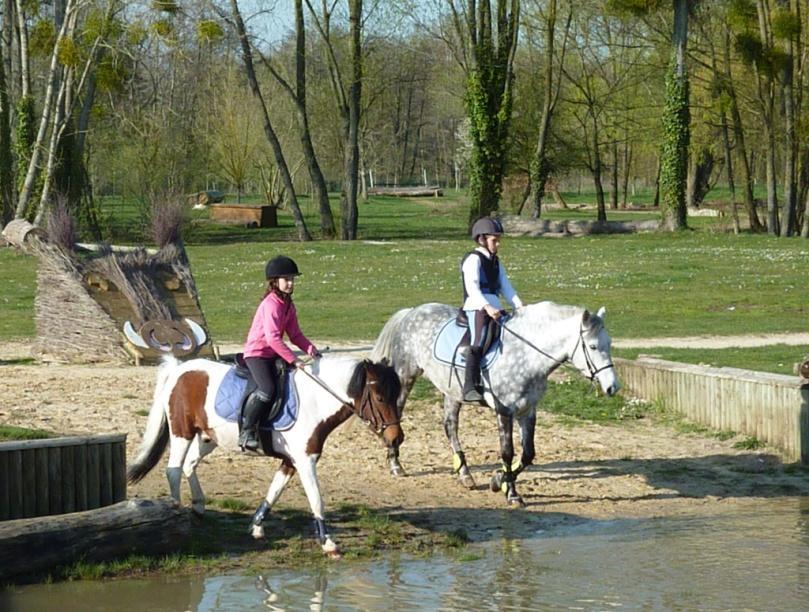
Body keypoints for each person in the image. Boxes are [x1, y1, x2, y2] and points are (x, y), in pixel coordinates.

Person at [240, 255, 321, 451]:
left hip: (272, 354)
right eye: (287, 279)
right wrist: (295, 360)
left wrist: (310, 349)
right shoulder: (271, 304)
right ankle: (247, 431)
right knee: (267, 389)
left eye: (292, 279)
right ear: (275, 282)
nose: (291, 283)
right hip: (257, 354)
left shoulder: (288, 305)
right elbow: (272, 338)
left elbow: (295, 334)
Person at [460, 217, 524, 402]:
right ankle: (469, 387)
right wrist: (486, 307)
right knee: (479, 341)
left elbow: (506, 287)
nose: (498, 243)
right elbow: (472, 288)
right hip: (476, 307)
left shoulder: (496, 261)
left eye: (498, 239)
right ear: (482, 240)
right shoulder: (473, 259)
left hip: (495, 306)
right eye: (494, 240)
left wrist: (520, 306)